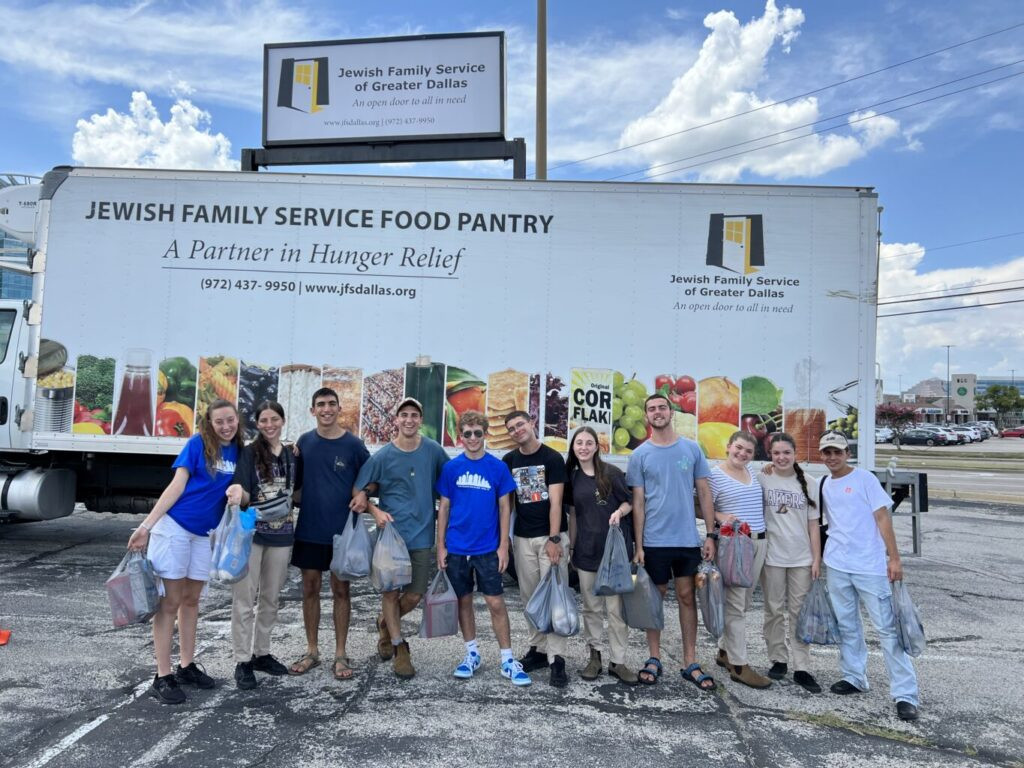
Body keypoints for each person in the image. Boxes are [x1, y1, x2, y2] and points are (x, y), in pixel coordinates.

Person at [127, 399, 243, 704]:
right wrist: (146, 526)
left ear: (237, 420)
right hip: (175, 529)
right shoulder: (197, 445)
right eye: (219, 422)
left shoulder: (238, 450)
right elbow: (176, 487)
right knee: (170, 602)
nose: (226, 426)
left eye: (230, 420)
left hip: (204, 535)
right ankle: (162, 675)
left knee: (191, 601)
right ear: (210, 423)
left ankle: (186, 665)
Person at [818, 431, 920, 721]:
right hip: (837, 565)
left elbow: (882, 517)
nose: (832, 457)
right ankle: (854, 676)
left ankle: (905, 694)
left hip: (870, 567)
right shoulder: (823, 483)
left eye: (837, 452)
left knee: (887, 630)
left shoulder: (865, 479)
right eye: (827, 452)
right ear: (821, 455)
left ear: (847, 454)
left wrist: (894, 558)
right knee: (847, 625)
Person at [353, 397, 449, 680]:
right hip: (390, 537)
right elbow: (359, 491)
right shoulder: (383, 456)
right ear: (396, 420)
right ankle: (399, 647)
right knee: (390, 593)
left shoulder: (433, 451)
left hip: (421, 535)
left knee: (415, 594)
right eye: (404, 415)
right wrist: (374, 510)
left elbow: (449, 481)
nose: (409, 420)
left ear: (420, 420)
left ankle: (385, 622)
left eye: (414, 415)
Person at [627, 393, 717, 690]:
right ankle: (654, 657)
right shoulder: (639, 455)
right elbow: (638, 503)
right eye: (651, 408)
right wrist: (639, 545)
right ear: (646, 416)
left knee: (687, 598)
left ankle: (690, 661)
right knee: (654, 600)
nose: (657, 412)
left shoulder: (691, 449)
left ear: (671, 412)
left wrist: (711, 534)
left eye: (662, 407)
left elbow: (704, 493)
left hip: (687, 540)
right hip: (654, 541)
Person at [436, 410, 531, 686]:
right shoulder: (451, 468)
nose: (473, 438)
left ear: (485, 434)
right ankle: (472, 654)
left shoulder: (497, 467)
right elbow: (444, 507)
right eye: (468, 433)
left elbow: (505, 507)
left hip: (488, 548)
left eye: (478, 433)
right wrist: (440, 546)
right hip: (456, 547)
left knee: (495, 602)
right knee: (463, 601)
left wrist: (504, 544)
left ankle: (507, 659)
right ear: (460, 437)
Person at [288, 387, 369, 681]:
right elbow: (292, 483)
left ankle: (340, 653)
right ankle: (312, 650)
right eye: (320, 404)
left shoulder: (354, 446)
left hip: (342, 532)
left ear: (339, 408)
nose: (326, 409)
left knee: (341, 591)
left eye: (331, 404)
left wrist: (365, 497)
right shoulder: (304, 443)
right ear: (312, 410)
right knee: (309, 589)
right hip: (310, 528)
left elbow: (371, 480)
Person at [225, 401, 295, 689]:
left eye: (274, 419)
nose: (269, 424)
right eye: (264, 420)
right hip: (251, 536)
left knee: (270, 598)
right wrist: (236, 494)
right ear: (257, 423)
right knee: (244, 599)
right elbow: (241, 487)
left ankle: (261, 653)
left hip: (282, 535)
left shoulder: (292, 454)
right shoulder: (249, 453)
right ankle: (243, 660)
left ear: (282, 420)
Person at [565, 426, 638, 685]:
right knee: (591, 608)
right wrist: (571, 548)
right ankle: (594, 656)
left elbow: (630, 501)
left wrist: (619, 512)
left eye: (588, 443)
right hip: (586, 551)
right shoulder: (572, 478)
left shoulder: (612, 473)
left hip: (615, 553)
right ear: (573, 448)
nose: (583, 447)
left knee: (616, 609)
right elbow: (573, 514)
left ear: (597, 446)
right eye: (579, 443)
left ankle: (618, 661)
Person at [502, 410, 570, 687]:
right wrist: (504, 541)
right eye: (511, 428)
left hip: (550, 537)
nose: (517, 430)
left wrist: (554, 540)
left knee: (554, 598)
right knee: (530, 598)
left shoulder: (552, 458)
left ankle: (557, 658)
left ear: (532, 423)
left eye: (520, 424)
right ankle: (538, 649)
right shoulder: (509, 460)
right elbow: (506, 504)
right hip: (522, 537)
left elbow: (556, 502)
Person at [758, 432, 822, 693]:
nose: (781, 457)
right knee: (773, 609)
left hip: (801, 557)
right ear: (770, 456)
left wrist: (816, 558)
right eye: (776, 453)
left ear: (795, 454)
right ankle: (778, 659)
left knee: (799, 612)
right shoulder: (762, 478)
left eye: (786, 452)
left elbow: (814, 525)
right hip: (772, 556)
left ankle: (802, 665)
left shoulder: (809, 482)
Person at [708, 431, 771, 688]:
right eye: (739, 448)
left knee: (743, 602)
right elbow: (700, 505)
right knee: (734, 604)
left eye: (748, 451)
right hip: (734, 542)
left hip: (758, 541)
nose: (742, 454)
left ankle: (724, 651)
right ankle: (739, 664)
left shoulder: (752, 473)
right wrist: (720, 517)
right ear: (728, 446)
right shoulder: (715, 475)